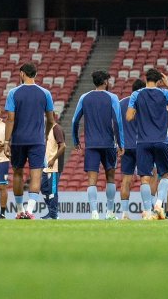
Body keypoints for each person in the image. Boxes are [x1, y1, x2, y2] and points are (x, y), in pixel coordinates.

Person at [126, 69, 168, 220]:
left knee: (145, 178)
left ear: (146, 78)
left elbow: (129, 117)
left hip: (143, 142)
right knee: (165, 175)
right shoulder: (164, 93)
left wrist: (140, 111)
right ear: (159, 81)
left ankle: (147, 211)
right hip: (161, 141)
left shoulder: (136, 95)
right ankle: (159, 204)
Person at [4, 62, 56, 220]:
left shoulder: (13, 93)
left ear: (22, 74)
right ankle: (30, 211)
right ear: (36, 74)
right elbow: (51, 119)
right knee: (36, 175)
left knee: (18, 174)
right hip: (37, 141)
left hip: (18, 140)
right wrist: (46, 135)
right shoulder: (45, 93)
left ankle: (20, 210)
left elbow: (10, 119)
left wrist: (7, 141)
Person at [71, 70, 123, 220]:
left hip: (92, 144)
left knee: (91, 179)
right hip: (108, 144)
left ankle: (94, 213)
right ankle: (110, 212)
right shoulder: (112, 97)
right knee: (110, 177)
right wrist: (121, 143)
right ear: (106, 82)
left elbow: (75, 121)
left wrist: (76, 141)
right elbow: (117, 122)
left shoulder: (84, 97)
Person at [117, 79, 145, 220]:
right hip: (142, 145)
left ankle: (124, 214)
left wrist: (118, 144)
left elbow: (115, 125)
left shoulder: (121, 103)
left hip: (126, 146)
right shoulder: (145, 104)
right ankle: (148, 211)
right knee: (146, 178)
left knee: (126, 180)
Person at [40, 114, 66, 219]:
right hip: (47, 166)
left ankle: (53, 214)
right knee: (44, 188)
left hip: (54, 166)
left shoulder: (57, 129)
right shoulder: (48, 130)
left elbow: (63, 146)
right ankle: (51, 212)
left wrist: (53, 159)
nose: (46, 119)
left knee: (53, 190)